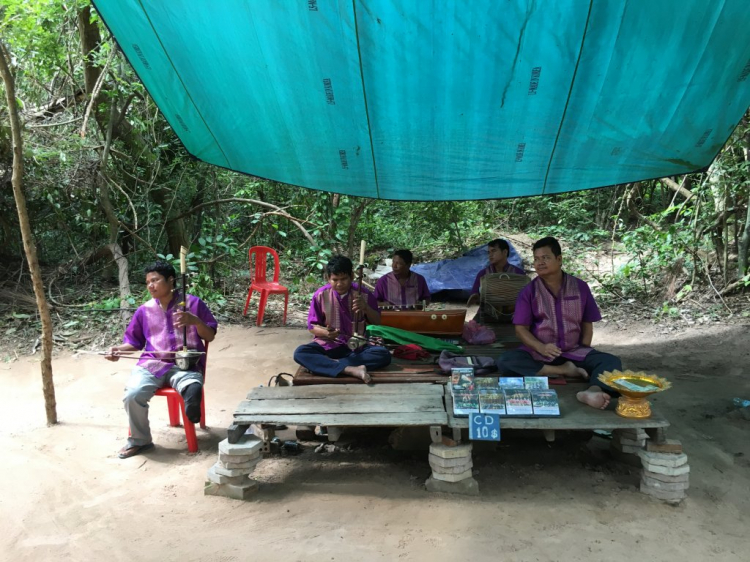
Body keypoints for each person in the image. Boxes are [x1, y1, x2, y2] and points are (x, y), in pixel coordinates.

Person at [106, 260, 217, 459]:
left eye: (155, 280)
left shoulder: (193, 303)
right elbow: (134, 342)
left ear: (171, 280)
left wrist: (195, 321)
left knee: (189, 379)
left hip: (185, 363)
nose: (150, 285)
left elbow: (209, 336)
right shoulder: (144, 310)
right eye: (148, 282)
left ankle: (191, 393)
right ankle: (140, 441)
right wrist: (117, 350)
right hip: (152, 363)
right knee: (133, 394)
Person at [496, 236, 621, 409]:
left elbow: (587, 323)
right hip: (540, 355)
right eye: (537, 259)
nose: (540, 263)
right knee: (506, 361)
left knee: (611, 362)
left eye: (545, 258)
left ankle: (593, 390)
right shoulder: (529, 291)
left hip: (574, 352)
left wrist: (584, 350)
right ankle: (562, 370)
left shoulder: (580, 287)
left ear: (559, 259)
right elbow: (520, 329)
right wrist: (540, 347)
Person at [294, 255, 391, 383]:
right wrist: (326, 333)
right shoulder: (320, 295)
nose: (339, 284)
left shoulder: (364, 294)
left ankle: (330, 365)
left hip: (358, 346)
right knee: (300, 352)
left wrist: (366, 308)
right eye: (335, 280)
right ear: (328, 278)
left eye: (344, 279)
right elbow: (312, 327)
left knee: (383, 355)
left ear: (351, 276)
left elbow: (378, 321)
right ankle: (351, 369)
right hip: (330, 345)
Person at [467, 238, 525, 306]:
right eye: (489, 252)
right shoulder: (483, 274)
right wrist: (476, 297)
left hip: (513, 313)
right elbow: (474, 294)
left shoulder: (519, 274)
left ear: (505, 252)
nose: (490, 255)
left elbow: (526, 297)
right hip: (487, 312)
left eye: (494, 251)